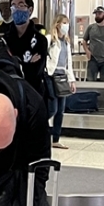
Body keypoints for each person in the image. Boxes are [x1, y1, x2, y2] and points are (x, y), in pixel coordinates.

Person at [4, 0, 49, 97]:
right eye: (13, 6)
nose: (16, 9)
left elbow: (36, 72)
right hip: (10, 93)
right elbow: (4, 69)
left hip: (34, 94)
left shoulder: (40, 39)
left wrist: (17, 65)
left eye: (21, 5)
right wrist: (27, 64)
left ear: (30, 9)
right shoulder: (5, 39)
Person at [46, 14, 77, 150]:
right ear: (58, 24)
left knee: (61, 111)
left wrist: (72, 80)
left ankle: (56, 139)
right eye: (64, 23)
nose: (66, 26)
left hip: (62, 77)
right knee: (52, 108)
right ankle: (42, 132)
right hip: (50, 76)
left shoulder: (66, 42)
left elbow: (68, 63)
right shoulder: (49, 39)